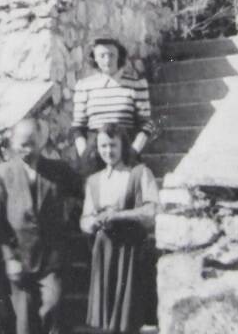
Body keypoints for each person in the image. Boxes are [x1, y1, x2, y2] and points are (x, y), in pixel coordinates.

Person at [0, 118, 80, 334]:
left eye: (31, 143)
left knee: (53, 307)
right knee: (25, 322)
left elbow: (85, 190)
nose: (26, 149)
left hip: (50, 260)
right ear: (12, 144)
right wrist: (9, 258)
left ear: (40, 142)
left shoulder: (58, 170)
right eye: (21, 144)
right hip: (20, 260)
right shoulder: (0, 174)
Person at [80, 124, 159, 333]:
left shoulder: (139, 173)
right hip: (104, 252)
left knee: (131, 317)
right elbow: (85, 218)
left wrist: (118, 215)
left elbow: (152, 211)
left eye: (113, 145)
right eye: (103, 146)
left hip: (132, 251)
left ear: (123, 146)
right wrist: (92, 223)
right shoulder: (93, 181)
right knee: (108, 319)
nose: (108, 151)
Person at [72, 38, 155, 171]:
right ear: (95, 58)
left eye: (111, 55)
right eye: (102, 55)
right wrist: (85, 155)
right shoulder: (84, 86)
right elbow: (78, 127)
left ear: (119, 56)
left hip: (125, 152)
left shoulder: (136, 85)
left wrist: (134, 150)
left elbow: (146, 124)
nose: (107, 60)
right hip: (95, 154)